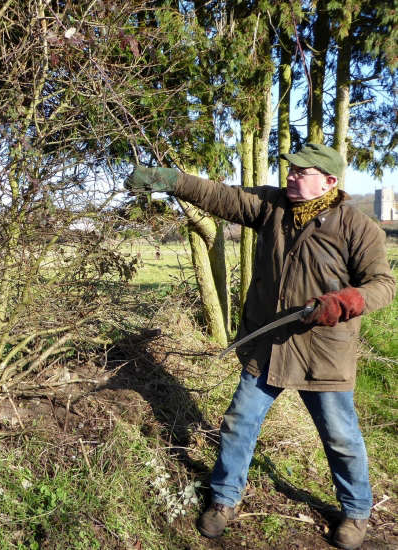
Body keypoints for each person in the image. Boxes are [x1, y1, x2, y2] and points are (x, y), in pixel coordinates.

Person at [126, 143, 395, 550]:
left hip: (323, 353)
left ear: (329, 181)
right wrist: (173, 181)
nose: (289, 176)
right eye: (289, 170)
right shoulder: (273, 207)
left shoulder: (358, 227)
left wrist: (345, 302)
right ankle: (224, 499)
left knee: (340, 436)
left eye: (300, 172)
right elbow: (221, 196)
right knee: (239, 422)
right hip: (267, 344)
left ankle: (356, 511)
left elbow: (383, 285)